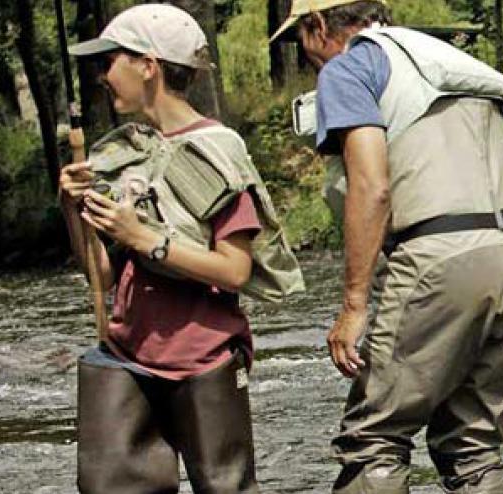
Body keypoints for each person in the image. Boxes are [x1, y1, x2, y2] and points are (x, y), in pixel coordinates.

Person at [270, 0, 503, 491]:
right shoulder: (444, 57)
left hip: (439, 255)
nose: (304, 55)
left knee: (375, 437)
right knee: (473, 446)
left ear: (316, 26)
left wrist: (354, 305)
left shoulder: (348, 66)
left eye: (299, 41)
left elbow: (371, 186)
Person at [60, 3, 305, 491]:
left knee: (225, 486)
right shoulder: (119, 153)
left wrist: (143, 239)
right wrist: (71, 207)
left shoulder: (218, 150)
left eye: (111, 62)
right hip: (127, 354)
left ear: (147, 65)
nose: (103, 77)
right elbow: (101, 278)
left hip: (205, 356)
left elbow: (234, 270)